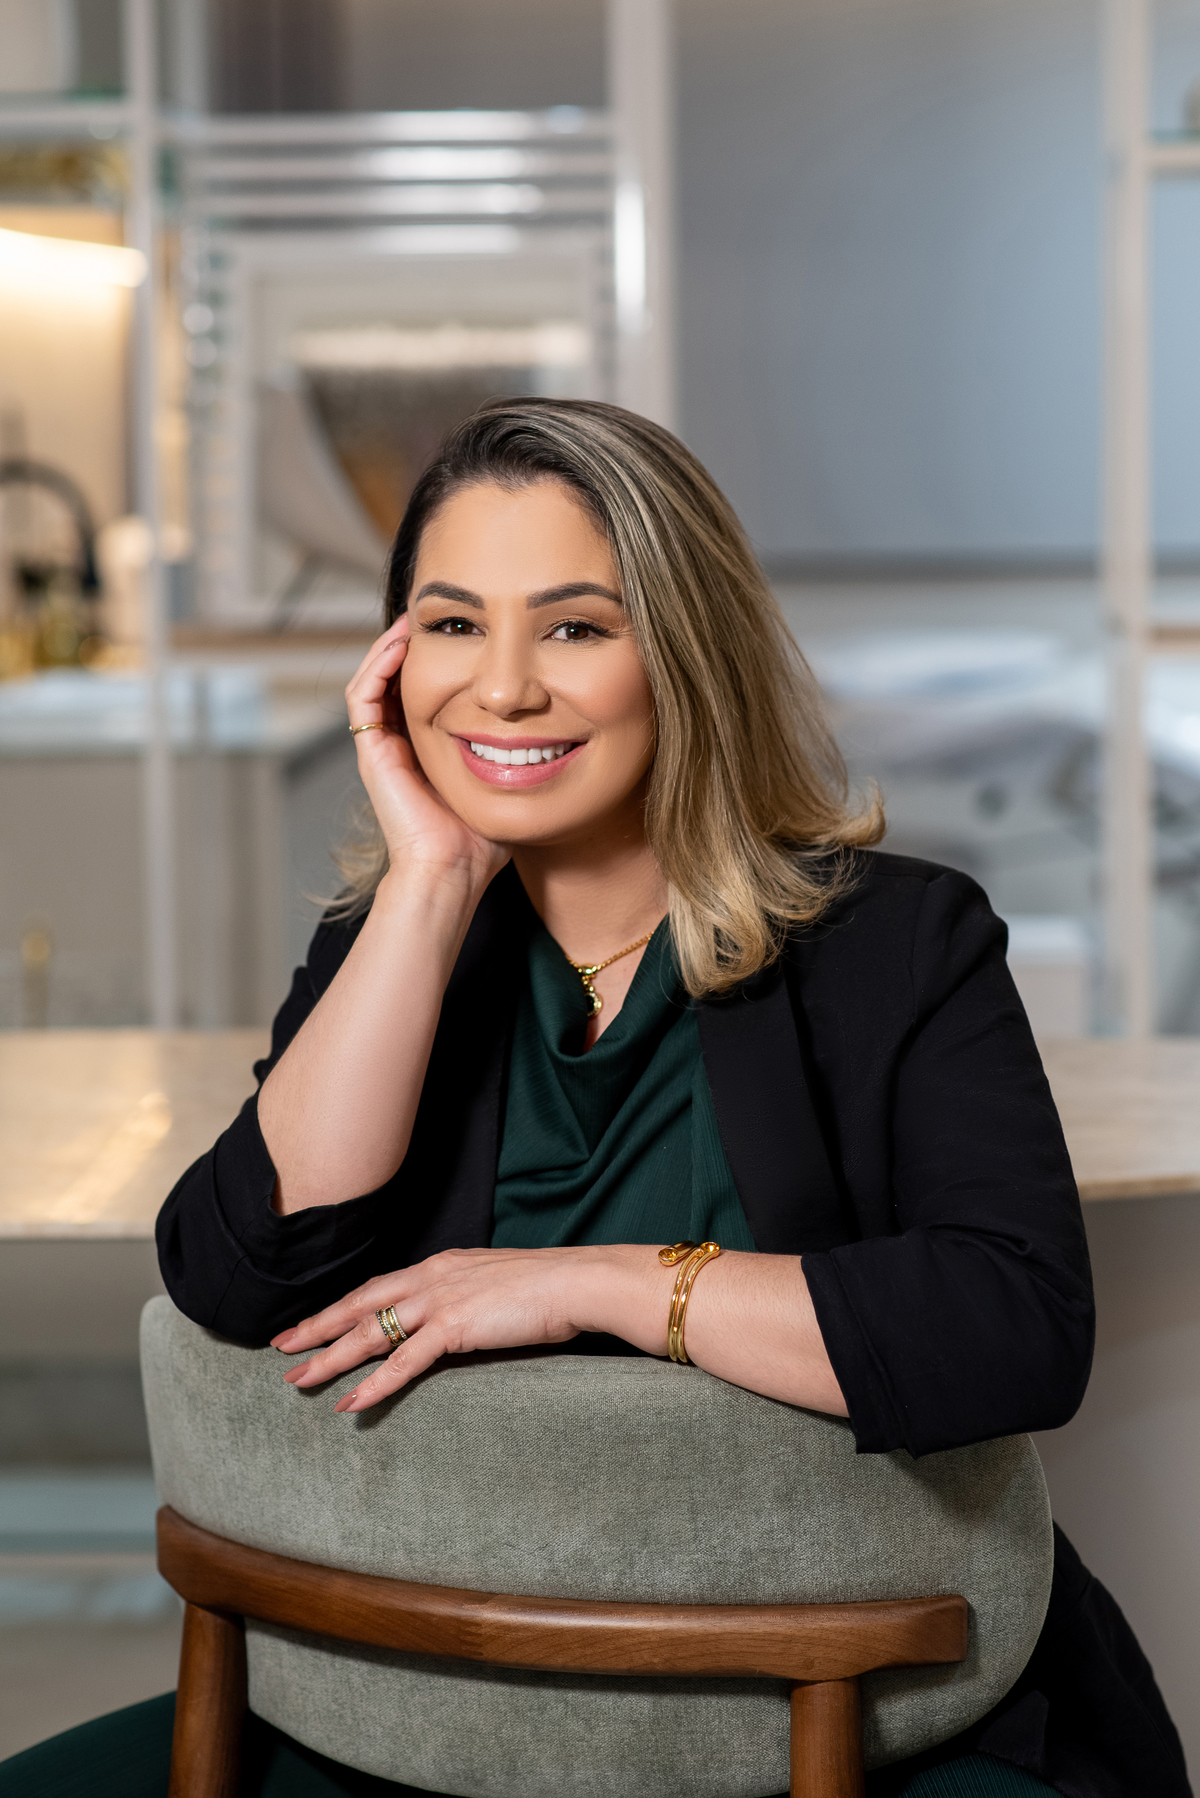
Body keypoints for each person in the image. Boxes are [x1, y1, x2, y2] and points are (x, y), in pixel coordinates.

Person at [2, 399, 1188, 1798]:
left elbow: (1012, 1328)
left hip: (848, 1705)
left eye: (573, 626)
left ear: (683, 654)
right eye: (452, 624)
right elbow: (233, 1274)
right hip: (425, 1699)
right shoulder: (388, 952)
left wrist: (601, 1284)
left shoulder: (899, 943)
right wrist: (431, 880)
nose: (502, 688)